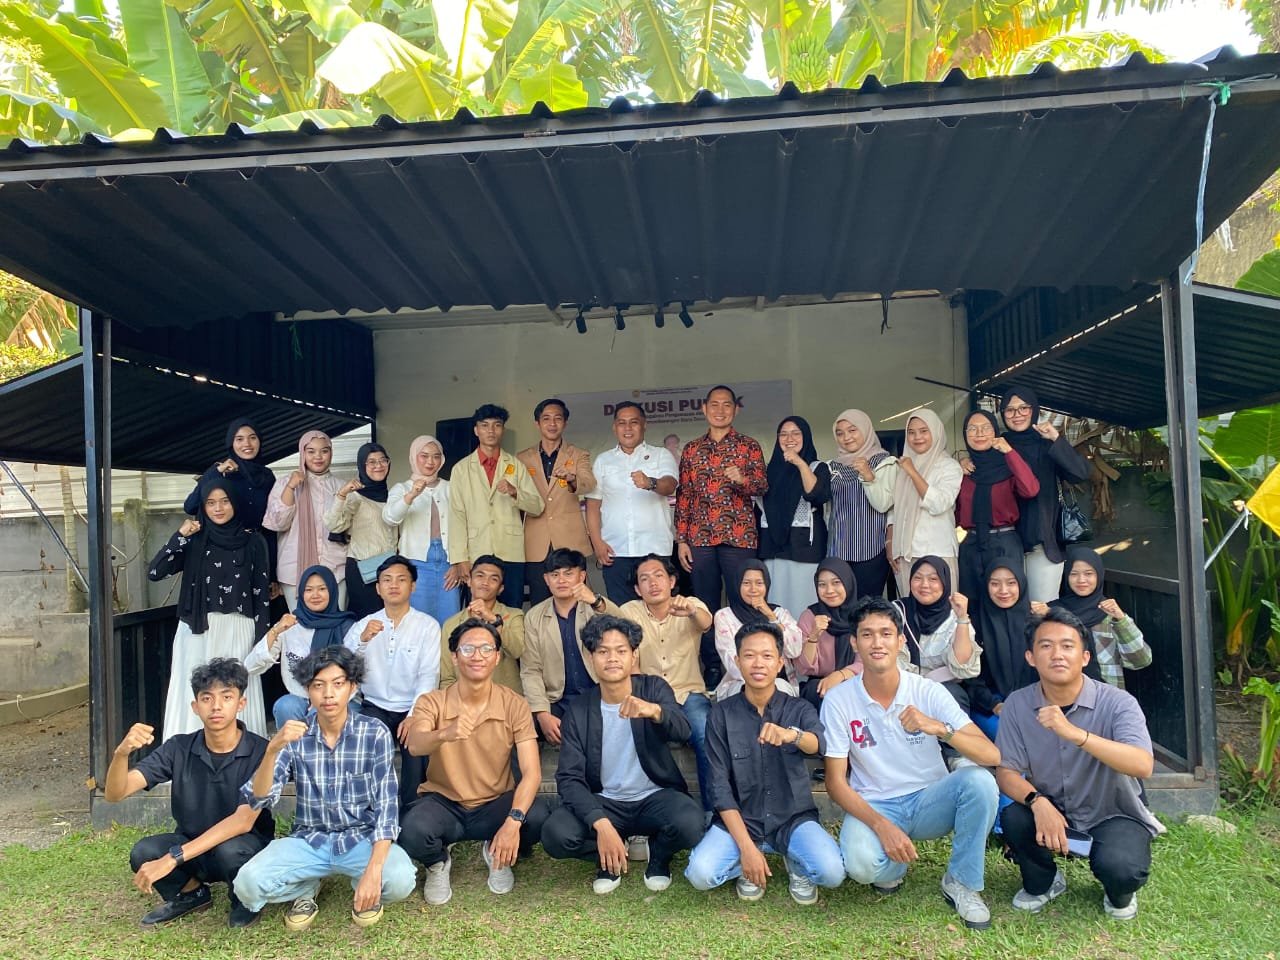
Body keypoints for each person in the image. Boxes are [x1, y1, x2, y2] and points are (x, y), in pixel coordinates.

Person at [822, 599, 1000, 930]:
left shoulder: (927, 691)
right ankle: (895, 866)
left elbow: (991, 756)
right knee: (862, 867)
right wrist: (881, 825)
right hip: (876, 803)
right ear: (854, 643)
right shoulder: (838, 700)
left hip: (930, 800)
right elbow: (834, 782)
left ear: (901, 641)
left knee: (980, 781)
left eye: (886, 633)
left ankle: (961, 882)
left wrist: (940, 728)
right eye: (867, 634)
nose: (877, 643)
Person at [233, 646, 416, 930]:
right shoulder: (295, 734)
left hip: (360, 839)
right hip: (309, 840)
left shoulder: (374, 732)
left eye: (338, 684)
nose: (328, 694)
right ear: (308, 690)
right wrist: (271, 750)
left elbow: (386, 808)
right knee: (246, 885)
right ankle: (305, 887)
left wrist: (373, 871)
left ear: (352, 688)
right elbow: (260, 798)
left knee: (402, 880)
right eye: (318, 685)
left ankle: (363, 883)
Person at [995, 608, 1159, 921]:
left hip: (1112, 811)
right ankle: (1045, 881)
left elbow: (1142, 765)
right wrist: (1038, 802)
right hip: (1052, 806)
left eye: (1067, 646)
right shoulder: (1018, 703)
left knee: (1122, 869)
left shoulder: (1118, 703)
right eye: (1046, 646)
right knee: (1014, 817)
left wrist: (1076, 734)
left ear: (1085, 657)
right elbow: (1006, 771)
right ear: (1031, 657)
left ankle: (1118, 891)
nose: (1057, 654)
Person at [105, 658, 273, 929]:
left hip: (244, 847)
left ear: (241, 703)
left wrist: (172, 858)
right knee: (144, 852)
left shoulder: (262, 751)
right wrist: (121, 754)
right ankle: (191, 894)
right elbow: (115, 793)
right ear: (195, 707)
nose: (216, 706)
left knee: (231, 851)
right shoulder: (178, 748)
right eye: (207, 698)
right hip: (193, 846)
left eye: (226, 697)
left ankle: (244, 899)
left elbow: (243, 821)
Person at [542, 614, 704, 894]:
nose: (612, 659)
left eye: (621, 651)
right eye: (603, 651)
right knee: (556, 834)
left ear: (633, 655)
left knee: (692, 823)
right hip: (605, 801)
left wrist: (654, 711)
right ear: (591, 658)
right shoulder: (579, 709)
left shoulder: (653, 688)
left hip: (654, 797)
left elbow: (683, 729)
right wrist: (601, 824)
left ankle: (659, 854)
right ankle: (609, 855)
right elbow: (569, 778)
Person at [685, 622, 844, 905]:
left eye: (767, 656)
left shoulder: (798, 708)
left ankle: (795, 862)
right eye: (749, 655)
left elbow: (819, 744)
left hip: (792, 818)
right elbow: (719, 787)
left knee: (832, 873)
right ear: (737, 661)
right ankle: (747, 861)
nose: (758, 663)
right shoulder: (721, 715)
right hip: (741, 820)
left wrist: (792, 735)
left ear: (780, 662)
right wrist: (747, 848)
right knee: (701, 875)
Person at [402, 619, 551, 904]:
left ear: (497, 657)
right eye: (468, 649)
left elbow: (531, 772)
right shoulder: (432, 702)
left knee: (536, 816)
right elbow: (416, 745)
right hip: (445, 803)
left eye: (486, 649)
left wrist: (512, 823)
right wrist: (445, 733)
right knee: (412, 830)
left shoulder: (514, 703)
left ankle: (496, 849)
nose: (477, 656)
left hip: (495, 803)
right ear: (454, 657)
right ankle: (438, 862)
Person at [149, 478, 269, 740]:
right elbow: (155, 572)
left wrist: (262, 640)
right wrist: (179, 536)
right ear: (202, 506)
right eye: (211, 503)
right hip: (197, 629)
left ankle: (245, 754)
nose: (218, 508)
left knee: (237, 689)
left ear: (235, 503)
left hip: (238, 627)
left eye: (225, 501)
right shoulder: (193, 540)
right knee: (193, 688)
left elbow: (261, 594)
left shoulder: (254, 542)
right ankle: (186, 754)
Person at [675, 385, 768, 687]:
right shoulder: (692, 450)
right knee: (705, 603)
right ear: (704, 409)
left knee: (744, 599)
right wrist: (681, 539)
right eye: (714, 405)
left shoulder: (749, 446)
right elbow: (685, 496)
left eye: (726, 404)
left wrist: (743, 480)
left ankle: (750, 661)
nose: (720, 410)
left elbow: (762, 486)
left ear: (736, 409)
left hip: (739, 536)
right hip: (700, 538)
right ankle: (714, 666)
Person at [343, 555, 441, 809]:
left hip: (413, 706)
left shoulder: (427, 626)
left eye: (401, 579)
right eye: (386, 580)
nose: (393, 585)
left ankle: (412, 813)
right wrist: (363, 641)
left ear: (413, 586)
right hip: (375, 705)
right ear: (378, 588)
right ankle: (375, 811)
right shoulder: (363, 625)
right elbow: (345, 669)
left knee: (416, 747)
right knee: (370, 743)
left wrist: (415, 714)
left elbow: (428, 675)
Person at [618, 554, 715, 812]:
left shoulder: (690, 604)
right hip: (649, 696)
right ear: (637, 589)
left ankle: (712, 813)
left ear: (671, 581)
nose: (653, 583)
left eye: (659, 576)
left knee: (706, 735)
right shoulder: (629, 612)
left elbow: (706, 623)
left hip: (688, 693)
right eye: (645, 579)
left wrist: (691, 611)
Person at [997, 387, 1092, 602]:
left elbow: (1080, 474)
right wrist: (965, 463)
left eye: (1023, 408)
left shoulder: (1046, 442)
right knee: (1008, 607)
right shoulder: (999, 445)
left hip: (1044, 540)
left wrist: (1056, 438)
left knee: (1042, 607)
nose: (1017, 414)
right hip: (1005, 540)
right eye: (1009, 410)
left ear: (1034, 410)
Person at [448, 403, 544, 608]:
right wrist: (460, 558)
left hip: (510, 551)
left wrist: (515, 492)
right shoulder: (461, 469)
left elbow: (537, 506)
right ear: (476, 430)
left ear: (503, 430)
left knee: (512, 609)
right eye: (485, 425)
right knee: (478, 611)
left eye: (497, 425)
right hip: (476, 552)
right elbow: (456, 516)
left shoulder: (515, 465)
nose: (491, 430)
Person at [520, 548, 621, 744]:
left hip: (598, 694)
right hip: (556, 700)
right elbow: (531, 670)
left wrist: (596, 601)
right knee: (522, 726)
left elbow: (627, 631)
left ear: (582, 576)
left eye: (568, 573)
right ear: (546, 579)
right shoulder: (534, 616)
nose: (561, 580)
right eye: (554, 575)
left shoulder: (595, 607)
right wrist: (542, 714)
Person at [585, 401, 679, 603]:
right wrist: (597, 542)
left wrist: (650, 483)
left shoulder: (660, 455)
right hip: (615, 551)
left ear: (644, 425)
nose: (627, 428)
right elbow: (593, 505)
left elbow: (670, 485)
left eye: (634, 422)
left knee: (659, 608)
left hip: (655, 550)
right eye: (622, 423)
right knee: (622, 611)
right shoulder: (603, 460)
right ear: (614, 427)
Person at [245, 565, 357, 728]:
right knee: (286, 706)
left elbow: (356, 677)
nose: (315, 595)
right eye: (308, 590)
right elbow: (251, 666)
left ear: (333, 591)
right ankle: (294, 745)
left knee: (322, 713)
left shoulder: (348, 627)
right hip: (300, 698)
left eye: (322, 589)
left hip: (340, 699)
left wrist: (321, 702)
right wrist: (275, 631)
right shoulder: (290, 625)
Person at [517, 398, 597, 605]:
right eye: (546, 419)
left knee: (577, 601)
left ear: (565, 423)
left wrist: (572, 479)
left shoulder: (578, 454)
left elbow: (589, 483)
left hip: (570, 539)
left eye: (557, 418)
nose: (552, 423)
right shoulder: (522, 458)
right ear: (537, 423)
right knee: (540, 601)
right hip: (535, 542)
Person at [955, 410, 1038, 602]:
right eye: (972, 429)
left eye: (986, 428)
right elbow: (956, 513)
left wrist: (1009, 451)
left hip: (1004, 543)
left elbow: (1031, 490)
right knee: (970, 605)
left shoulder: (1008, 465)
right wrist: (957, 467)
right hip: (971, 545)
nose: (979, 433)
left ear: (995, 431)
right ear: (965, 435)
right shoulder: (964, 471)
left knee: (1005, 602)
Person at [182, 418, 278, 582]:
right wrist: (216, 472)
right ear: (231, 443)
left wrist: (273, 575)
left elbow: (270, 527)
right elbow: (190, 506)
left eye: (252, 437)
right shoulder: (222, 473)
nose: (247, 444)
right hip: (224, 553)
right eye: (239, 439)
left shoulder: (266, 477)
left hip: (257, 551)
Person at [383, 435, 464, 625]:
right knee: (417, 622)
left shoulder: (451, 487)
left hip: (448, 563)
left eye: (436, 456)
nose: (430, 461)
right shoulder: (402, 488)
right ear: (414, 457)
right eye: (424, 456)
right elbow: (390, 518)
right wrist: (411, 495)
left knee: (451, 621)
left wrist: (457, 563)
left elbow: (463, 526)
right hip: (416, 563)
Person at [264, 430, 347, 611]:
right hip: (294, 571)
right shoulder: (285, 483)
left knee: (335, 622)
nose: (318, 456)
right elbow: (277, 523)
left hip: (335, 568)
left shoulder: (342, 487)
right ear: (302, 453)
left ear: (331, 453)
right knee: (300, 625)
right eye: (311, 451)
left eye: (324, 451)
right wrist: (291, 487)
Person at [1046, 547, 1151, 689]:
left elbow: (1141, 661)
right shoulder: (1051, 612)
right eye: (1074, 574)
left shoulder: (1109, 613)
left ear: (1099, 576)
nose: (1081, 580)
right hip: (1061, 694)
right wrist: (1048, 618)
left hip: (1106, 697)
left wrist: (1121, 620)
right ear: (1066, 576)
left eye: (1088, 573)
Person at [758, 416, 831, 616]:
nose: (789, 438)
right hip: (773, 549)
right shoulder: (768, 470)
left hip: (804, 549)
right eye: (783, 434)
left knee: (804, 605)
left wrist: (799, 463)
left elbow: (815, 495)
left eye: (795, 433)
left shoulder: (818, 467)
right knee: (777, 605)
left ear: (805, 436)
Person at [892, 557, 981, 717]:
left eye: (933, 579)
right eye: (918, 578)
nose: (924, 585)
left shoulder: (954, 615)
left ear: (945, 583)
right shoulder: (897, 611)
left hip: (942, 688)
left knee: (953, 697)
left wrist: (962, 618)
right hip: (902, 686)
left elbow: (962, 666)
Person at [886, 410, 962, 597]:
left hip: (937, 551)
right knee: (910, 607)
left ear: (935, 432)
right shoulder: (903, 466)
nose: (917, 437)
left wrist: (913, 473)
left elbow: (939, 504)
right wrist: (890, 543)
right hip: (904, 553)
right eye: (911, 432)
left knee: (942, 608)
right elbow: (895, 509)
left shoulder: (949, 466)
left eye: (923, 431)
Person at [826, 409, 898, 600]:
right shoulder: (831, 467)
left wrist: (868, 475)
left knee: (867, 603)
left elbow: (885, 504)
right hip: (838, 547)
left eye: (852, 430)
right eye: (840, 433)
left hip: (872, 546)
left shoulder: (885, 462)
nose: (846, 437)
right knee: (840, 603)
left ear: (865, 430)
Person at [325, 441, 398, 618]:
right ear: (362, 466)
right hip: (364, 570)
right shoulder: (355, 497)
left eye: (383, 460)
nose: (378, 466)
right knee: (368, 622)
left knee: (391, 620)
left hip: (390, 570)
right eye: (371, 462)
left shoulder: (394, 496)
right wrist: (342, 494)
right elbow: (334, 524)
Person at [712, 561, 804, 701]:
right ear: (737, 585)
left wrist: (771, 617)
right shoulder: (724, 616)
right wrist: (761, 681)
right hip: (740, 682)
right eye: (746, 583)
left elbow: (795, 650)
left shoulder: (780, 614)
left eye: (759, 583)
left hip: (780, 683)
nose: (753, 589)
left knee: (779, 689)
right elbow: (731, 662)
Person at [967, 562, 1040, 740]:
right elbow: (970, 678)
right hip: (991, 704)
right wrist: (995, 705)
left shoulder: (1038, 623)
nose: (1003, 590)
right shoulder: (974, 624)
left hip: (1037, 700)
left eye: (1011, 583)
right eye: (995, 584)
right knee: (1008, 736)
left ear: (1021, 584)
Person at [438, 555, 526, 693]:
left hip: (505, 699)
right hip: (464, 699)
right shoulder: (451, 624)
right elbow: (447, 678)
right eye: (480, 576)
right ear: (469, 581)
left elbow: (518, 651)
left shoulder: (514, 616)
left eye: (494, 579)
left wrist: (494, 620)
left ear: (501, 588)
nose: (485, 582)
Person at [794, 558, 862, 706]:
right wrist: (814, 636)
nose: (829, 590)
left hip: (859, 681)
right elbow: (803, 668)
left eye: (836, 582)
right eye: (822, 585)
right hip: (821, 688)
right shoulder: (810, 616)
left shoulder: (863, 615)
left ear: (848, 583)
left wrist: (840, 675)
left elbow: (868, 660)